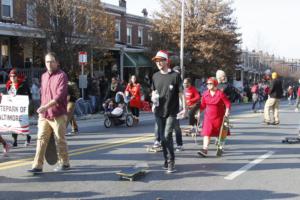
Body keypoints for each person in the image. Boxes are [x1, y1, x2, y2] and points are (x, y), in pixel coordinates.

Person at [28, 52, 70, 173]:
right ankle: (37, 165)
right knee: (41, 138)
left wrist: (45, 106)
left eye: (52, 61)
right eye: (47, 61)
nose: (49, 64)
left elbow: (60, 96)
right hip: (44, 114)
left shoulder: (62, 76)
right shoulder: (44, 76)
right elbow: (44, 95)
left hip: (58, 114)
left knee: (60, 139)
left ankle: (65, 163)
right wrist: (42, 108)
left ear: (57, 62)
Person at [151, 50, 185, 173]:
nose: (158, 63)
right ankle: (166, 159)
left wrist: (185, 108)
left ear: (166, 61)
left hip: (172, 111)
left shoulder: (175, 76)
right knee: (162, 138)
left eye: (161, 60)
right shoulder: (155, 76)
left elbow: (181, 93)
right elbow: (154, 92)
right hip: (159, 111)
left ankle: (171, 162)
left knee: (167, 135)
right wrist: (153, 100)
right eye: (156, 61)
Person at [197, 77, 231, 157]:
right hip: (208, 118)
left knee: (221, 133)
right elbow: (203, 105)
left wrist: (227, 111)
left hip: (219, 117)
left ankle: (220, 147)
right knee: (206, 133)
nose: (208, 85)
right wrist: (198, 112)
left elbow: (227, 103)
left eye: (210, 83)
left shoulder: (220, 94)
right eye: (207, 84)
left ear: (215, 84)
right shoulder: (205, 94)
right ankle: (205, 149)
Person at [6, 68, 32, 147]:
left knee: (23, 124)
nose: (12, 78)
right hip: (13, 108)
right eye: (11, 76)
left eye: (14, 76)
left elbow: (28, 96)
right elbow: (8, 96)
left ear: (17, 76)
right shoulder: (8, 85)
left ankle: (28, 137)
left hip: (22, 108)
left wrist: (27, 104)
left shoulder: (23, 84)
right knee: (14, 124)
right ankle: (15, 140)